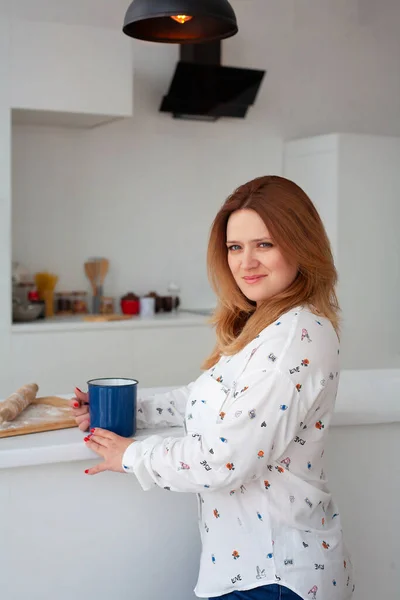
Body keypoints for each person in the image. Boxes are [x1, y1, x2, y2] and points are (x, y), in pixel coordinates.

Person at [70, 175, 354, 600]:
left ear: (301, 244)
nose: (246, 262)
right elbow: (199, 399)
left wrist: (131, 455)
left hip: (277, 577)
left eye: (265, 244)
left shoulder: (296, 336)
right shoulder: (265, 326)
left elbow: (225, 459)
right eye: (235, 247)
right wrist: (120, 408)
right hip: (252, 572)